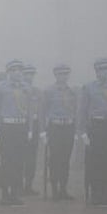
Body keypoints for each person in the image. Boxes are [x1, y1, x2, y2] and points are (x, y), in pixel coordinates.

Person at [79, 58, 107, 206]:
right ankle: (97, 194)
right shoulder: (89, 88)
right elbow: (82, 111)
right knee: (96, 161)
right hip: (95, 126)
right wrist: (83, 131)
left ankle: (105, 190)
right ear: (96, 72)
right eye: (101, 70)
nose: (104, 73)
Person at [0, 60, 32, 206]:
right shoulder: (0, 88)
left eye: (19, 70)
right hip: (6, 127)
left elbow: (30, 110)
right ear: (8, 72)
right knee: (6, 161)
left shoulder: (27, 88)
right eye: (13, 70)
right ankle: (4, 193)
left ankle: (14, 192)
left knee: (19, 161)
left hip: (21, 127)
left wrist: (30, 129)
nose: (17, 73)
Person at [40, 64, 79, 200]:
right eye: (60, 74)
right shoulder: (49, 91)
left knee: (65, 159)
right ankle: (55, 189)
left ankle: (63, 188)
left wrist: (76, 131)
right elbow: (42, 111)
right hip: (54, 127)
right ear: (55, 75)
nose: (63, 76)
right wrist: (43, 131)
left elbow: (76, 111)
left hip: (68, 127)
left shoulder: (73, 91)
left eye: (66, 74)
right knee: (55, 158)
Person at [22, 64, 42, 195]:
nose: (29, 77)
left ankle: (28, 184)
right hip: (21, 124)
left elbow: (41, 110)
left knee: (31, 156)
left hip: (34, 124)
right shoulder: (19, 89)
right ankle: (17, 184)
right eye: (27, 74)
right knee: (18, 156)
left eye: (31, 74)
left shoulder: (37, 91)